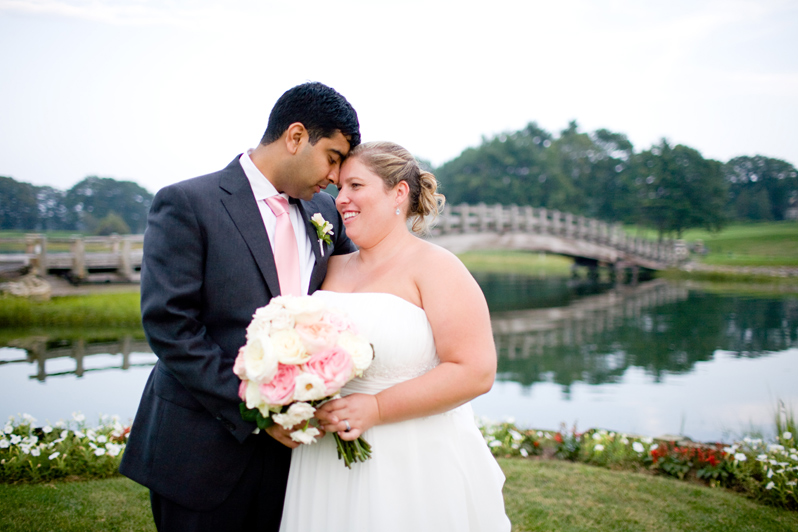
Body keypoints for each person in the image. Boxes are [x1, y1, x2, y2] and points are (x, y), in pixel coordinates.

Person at [119, 82, 360, 531]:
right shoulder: (188, 203)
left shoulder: (325, 211)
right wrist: (258, 412)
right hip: (202, 449)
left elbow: (361, 281)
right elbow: (171, 327)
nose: (333, 176)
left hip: (298, 456)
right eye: (331, 157)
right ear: (294, 136)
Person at [279, 141, 512, 531]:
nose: (341, 199)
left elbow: (475, 371)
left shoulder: (438, 268)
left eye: (356, 186)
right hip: (322, 456)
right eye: (339, 188)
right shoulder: (327, 267)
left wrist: (377, 408)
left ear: (398, 193)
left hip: (410, 458)